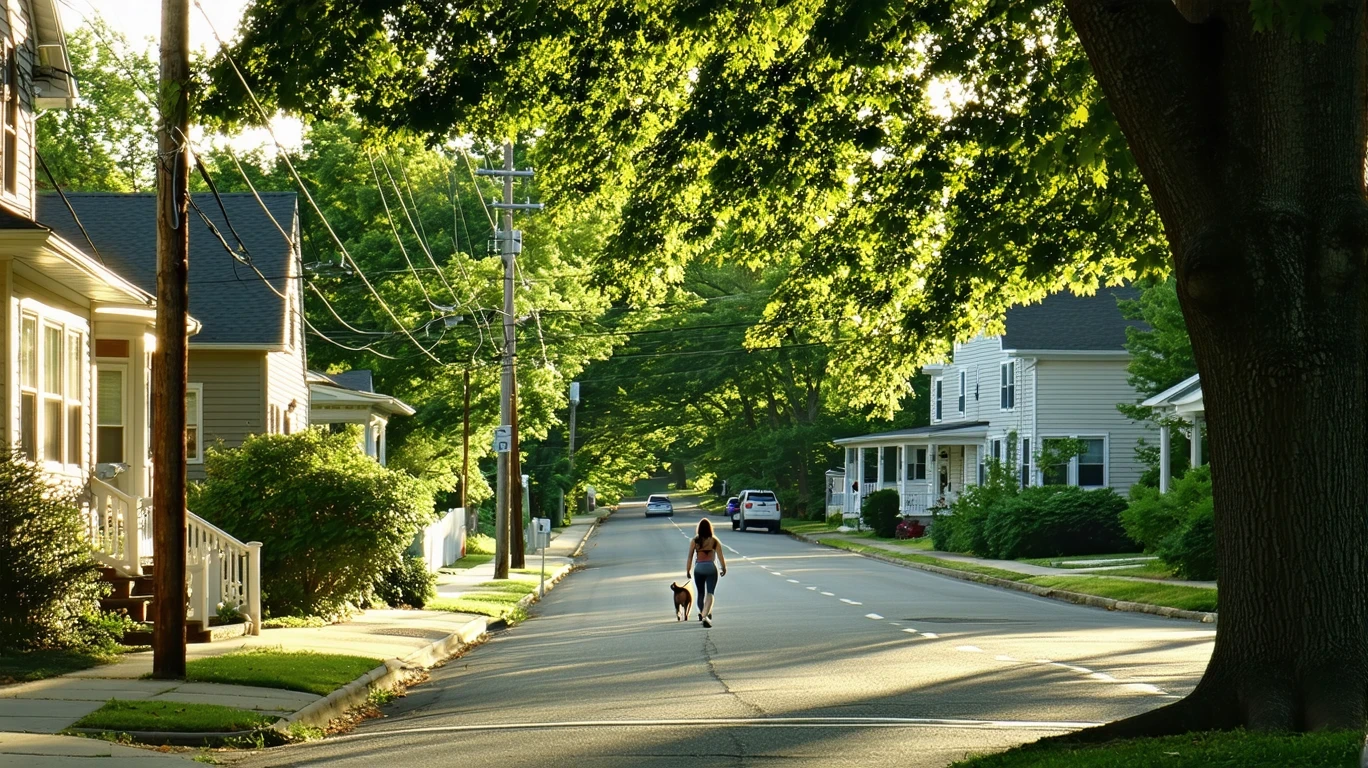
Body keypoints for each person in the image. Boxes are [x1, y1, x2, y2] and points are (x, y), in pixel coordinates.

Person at [686, 517, 727, 627]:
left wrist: (688, 570)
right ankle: (706, 614)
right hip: (711, 568)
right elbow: (720, 557)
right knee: (710, 593)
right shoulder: (714, 540)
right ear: (710, 528)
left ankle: (703, 614)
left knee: (700, 593)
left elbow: (690, 557)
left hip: (698, 568)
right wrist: (724, 568)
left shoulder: (695, 541)